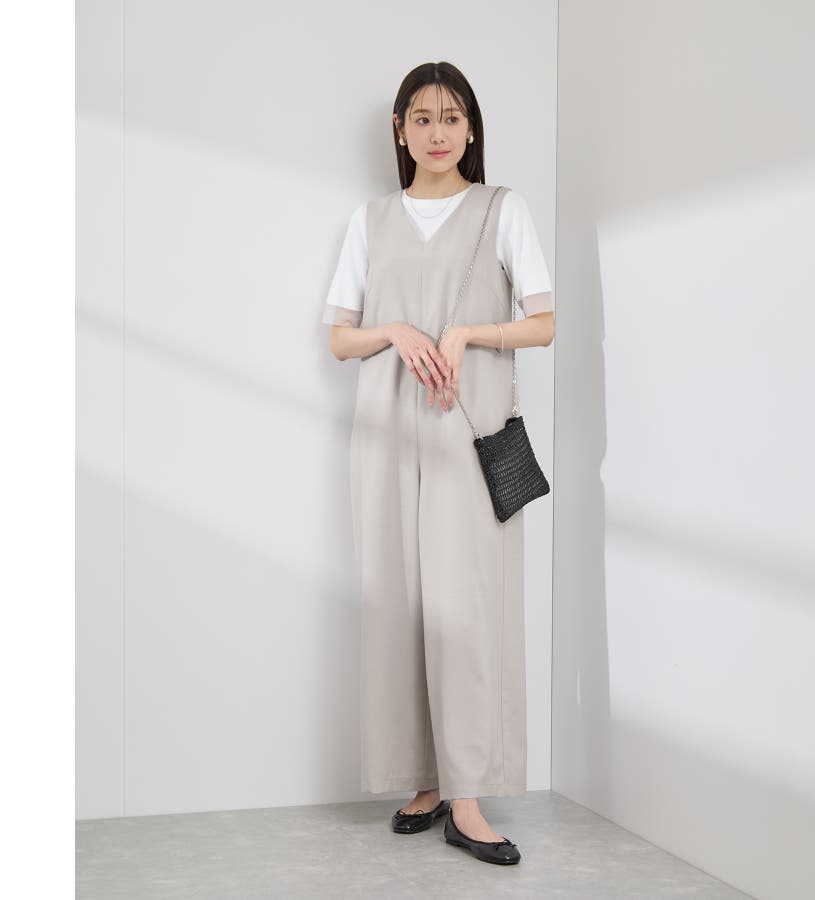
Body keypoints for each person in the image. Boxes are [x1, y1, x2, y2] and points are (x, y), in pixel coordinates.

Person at [322, 62, 554, 866]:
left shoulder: (501, 209)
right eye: (421, 118)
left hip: (470, 435)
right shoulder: (372, 220)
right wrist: (393, 330)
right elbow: (339, 338)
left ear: (472, 128)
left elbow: (545, 323)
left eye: (452, 117)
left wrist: (466, 334)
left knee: (466, 609)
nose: (437, 132)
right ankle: (421, 779)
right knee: (399, 603)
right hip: (385, 434)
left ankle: (468, 795)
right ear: (400, 130)